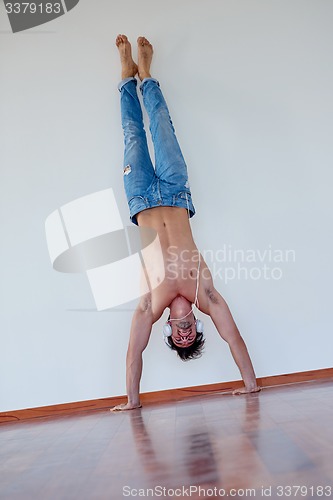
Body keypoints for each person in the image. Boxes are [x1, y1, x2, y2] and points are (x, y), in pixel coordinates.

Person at [111, 35, 261, 411]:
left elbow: (134, 353)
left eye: (177, 335)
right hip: (177, 193)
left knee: (132, 134)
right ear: (194, 324)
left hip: (141, 197)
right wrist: (251, 386)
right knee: (161, 126)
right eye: (188, 333)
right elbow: (234, 339)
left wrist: (132, 402)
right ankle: (148, 76)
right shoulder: (205, 295)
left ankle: (126, 77)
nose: (182, 331)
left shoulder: (150, 304)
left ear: (168, 329)